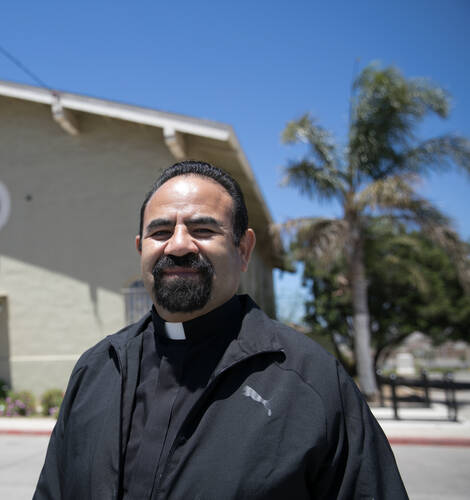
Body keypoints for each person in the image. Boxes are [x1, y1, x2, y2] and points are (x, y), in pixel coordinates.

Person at [34, 160, 407, 499]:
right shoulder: (96, 370)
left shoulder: (312, 383)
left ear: (243, 249)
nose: (178, 245)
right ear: (140, 248)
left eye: (202, 229)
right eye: (161, 232)